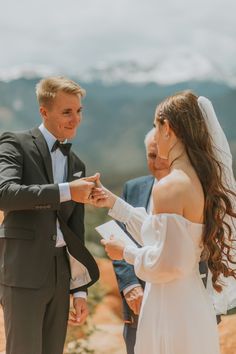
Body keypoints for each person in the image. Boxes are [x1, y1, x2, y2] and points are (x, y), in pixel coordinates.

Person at [90, 91, 236, 354]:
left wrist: (125, 252)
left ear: (168, 128)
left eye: (156, 128)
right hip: (191, 300)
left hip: (170, 306)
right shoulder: (197, 180)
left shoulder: (169, 186)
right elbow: (165, 237)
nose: (155, 136)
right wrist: (115, 204)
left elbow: (168, 264)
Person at [0, 76, 103, 354]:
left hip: (61, 277)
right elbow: (5, 193)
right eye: (67, 111)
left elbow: (74, 228)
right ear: (43, 112)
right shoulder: (15, 143)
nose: (76, 119)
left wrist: (78, 290)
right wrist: (67, 190)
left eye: (79, 111)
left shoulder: (77, 163)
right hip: (23, 273)